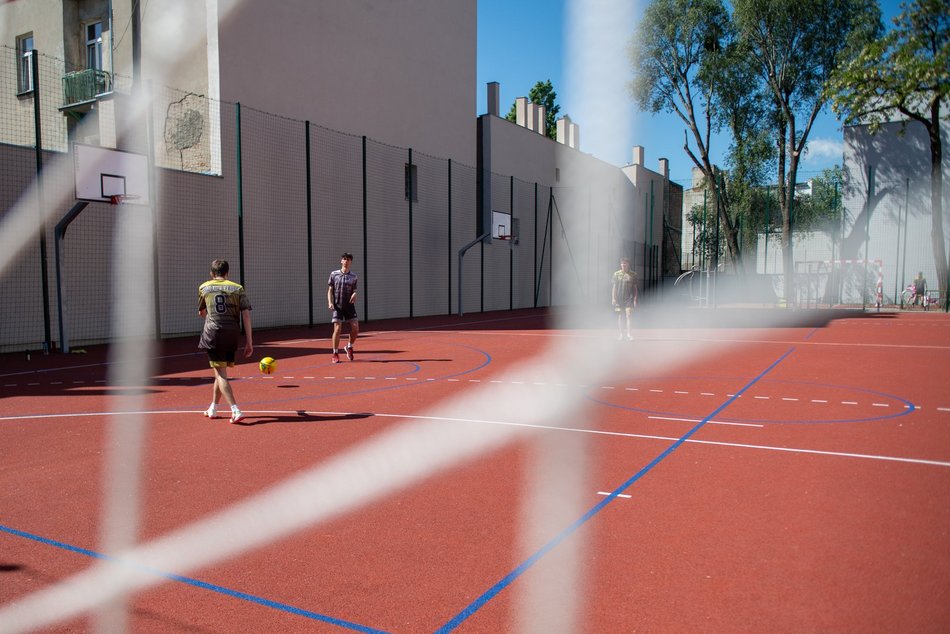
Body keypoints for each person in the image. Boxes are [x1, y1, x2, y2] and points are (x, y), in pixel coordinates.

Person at [197, 259, 253, 424]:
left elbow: (201, 312)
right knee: (220, 370)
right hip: (232, 332)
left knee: (220, 373)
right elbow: (246, 315)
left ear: (211, 273)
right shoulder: (237, 288)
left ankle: (235, 409)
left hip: (214, 333)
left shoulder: (204, 287)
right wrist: (249, 341)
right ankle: (213, 407)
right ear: (227, 272)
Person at [328, 252, 359, 363]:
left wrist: (355, 294)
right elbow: (330, 290)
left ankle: (349, 346)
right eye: (344, 259)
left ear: (351, 262)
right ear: (341, 261)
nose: (346, 261)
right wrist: (330, 302)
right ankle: (335, 353)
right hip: (338, 306)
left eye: (348, 259)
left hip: (349, 306)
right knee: (337, 329)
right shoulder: (334, 274)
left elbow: (354, 290)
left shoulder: (354, 276)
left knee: (355, 328)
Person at [611, 256, 638, 341]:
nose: (623, 265)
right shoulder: (616, 274)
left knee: (629, 315)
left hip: (628, 298)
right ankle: (621, 334)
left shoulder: (633, 275)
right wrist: (613, 298)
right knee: (620, 316)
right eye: (622, 263)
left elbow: (635, 288)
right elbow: (614, 287)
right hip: (619, 299)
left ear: (628, 264)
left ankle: (629, 334)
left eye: (625, 263)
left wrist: (635, 299)